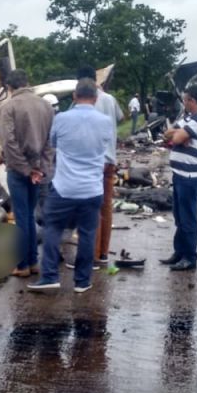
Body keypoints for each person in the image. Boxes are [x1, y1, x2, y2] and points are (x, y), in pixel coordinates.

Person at [28, 78, 113, 293]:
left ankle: (49, 276)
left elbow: (54, 143)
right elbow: (106, 150)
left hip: (64, 187)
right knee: (86, 234)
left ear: (75, 96)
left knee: (53, 228)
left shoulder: (62, 119)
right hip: (92, 190)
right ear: (95, 98)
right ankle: (82, 282)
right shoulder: (105, 122)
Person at [0, 69, 55, 278]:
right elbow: (50, 141)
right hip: (39, 170)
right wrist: (40, 169)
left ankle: (22, 265)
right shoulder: (46, 105)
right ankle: (33, 262)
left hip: (19, 171)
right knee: (29, 215)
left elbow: (8, 143)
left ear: (9, 87)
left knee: (22, 217)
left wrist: (26, 169)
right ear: (27, 82)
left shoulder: (8, 107)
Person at [160, 85, 197, 271]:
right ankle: (179, 252)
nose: (183, 103)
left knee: (189, 218)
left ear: (192, 100)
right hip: (180, 175)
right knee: (179, 217)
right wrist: (179, 134)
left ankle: (190, 257)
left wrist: (179, 135)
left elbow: (173, 139)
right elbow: (168, 133)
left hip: (190, 177)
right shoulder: (188, 118)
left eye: (185, 100)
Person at [78, 66, 122, 269]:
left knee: (90, 207)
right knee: (106, 206)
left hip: (93, 160)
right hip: (110, 159)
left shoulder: (85, 101)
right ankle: (103, 253)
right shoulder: (110, 99)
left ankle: (91, 256)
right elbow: (120, 117)